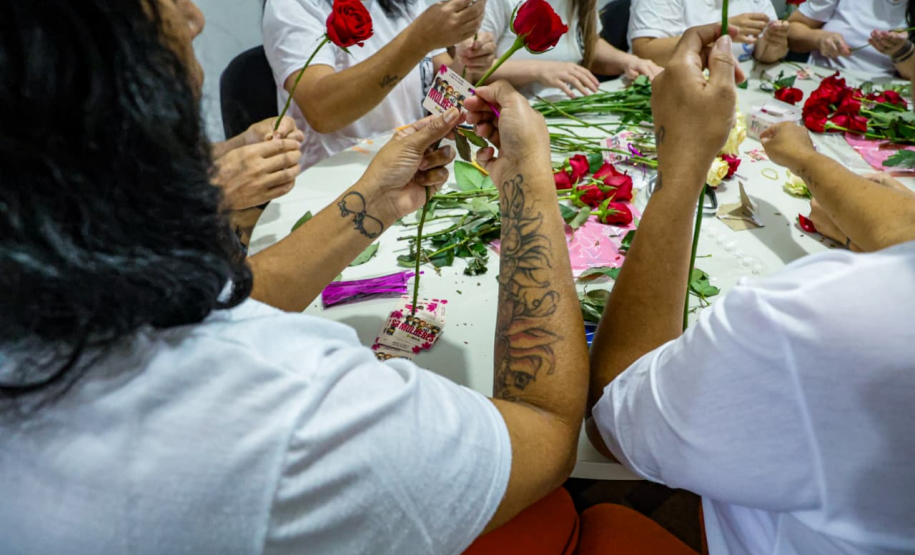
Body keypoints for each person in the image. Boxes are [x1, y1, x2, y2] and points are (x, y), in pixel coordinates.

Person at [1, 3, 596, 555]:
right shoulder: (284, 405)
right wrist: (526, 179)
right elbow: (545, 435)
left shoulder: (51, 289)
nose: (195, 18)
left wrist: (374, 202)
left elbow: (228, 299)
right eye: (165, 5)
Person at [585, 22, 915, 555]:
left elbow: (614, 412)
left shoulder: (818, 319)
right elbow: (902, 228)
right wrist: (806, 160)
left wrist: (683, 165)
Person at [263, 0, 496, 169]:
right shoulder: (294, 5)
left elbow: (444, 83)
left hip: (413, 164)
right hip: (336, 177)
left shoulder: (407, 4)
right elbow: (322, 112)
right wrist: (420, 40)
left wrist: (466, 61)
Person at [475, 0, 663, 99]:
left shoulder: (580, 3)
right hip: (504, 118)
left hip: (561, 109)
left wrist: (629, 61)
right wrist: (540, 70)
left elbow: (587, 45)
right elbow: (474, 70)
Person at [629, 0, 788, 67]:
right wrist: (717, 32)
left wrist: (773, 43)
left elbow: (765, 54)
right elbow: (645, 51)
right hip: (674, 91)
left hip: (737, 90)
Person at [788, 0, 913, 78]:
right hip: (820, 80)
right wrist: (819, 38)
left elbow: (910, 77)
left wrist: (902, 52)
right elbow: (791, 32)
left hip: (881, 96)